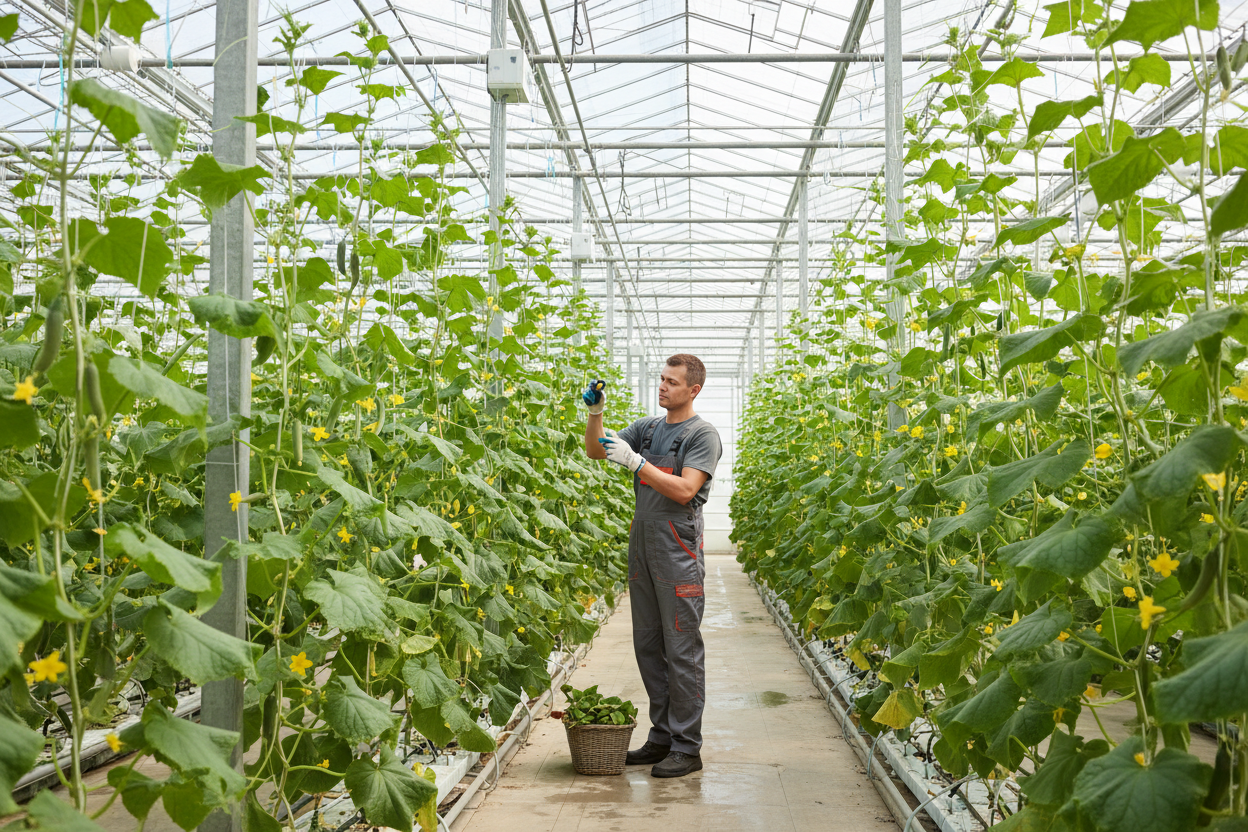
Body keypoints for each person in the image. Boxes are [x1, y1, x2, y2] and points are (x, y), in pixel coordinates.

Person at [581, 354, 723, 778]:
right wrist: (595, 414)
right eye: (661, 379)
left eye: (672, 382)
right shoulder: (648, 427)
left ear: (693, 389)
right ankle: (661, 736)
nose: (663, 387)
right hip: (643, 544)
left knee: (681, 649)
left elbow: (685, 490)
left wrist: (638, 463)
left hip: (677, 547)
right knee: (648, 646)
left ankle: (687, 745)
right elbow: (595, 450)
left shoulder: (702, 435)